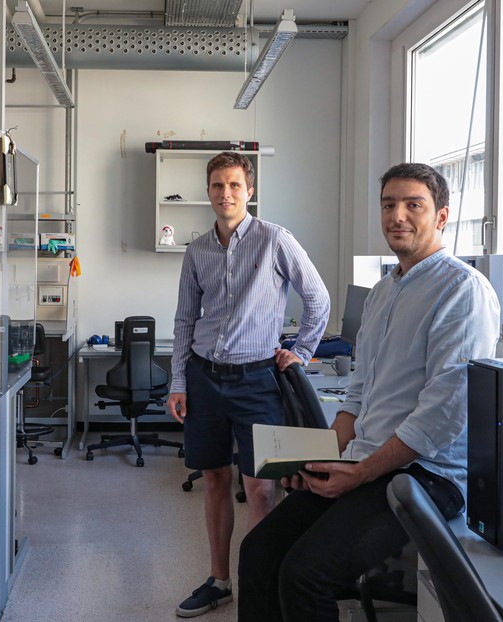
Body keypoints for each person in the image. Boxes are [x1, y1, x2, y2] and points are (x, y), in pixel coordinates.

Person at [237, 162, 501, 621]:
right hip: (367, 461)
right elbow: (358, 396)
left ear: (441, 216)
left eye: (412, 205)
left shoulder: (462, 290)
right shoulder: (384, 291)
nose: (397, 216)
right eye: (388, 205)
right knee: (259, 551)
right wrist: (320, 461)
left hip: (424, 476)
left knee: (306, 576)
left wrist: (359, 473)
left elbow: (443, 414)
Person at [167, 151, 330, 618]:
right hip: (204, 378)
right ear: (208, 191)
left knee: (260, 488)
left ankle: (261, 583)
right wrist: (179, 381)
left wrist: (299, 351)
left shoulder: (276, 240)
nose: (226, 194)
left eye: (235, 185)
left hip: (258, 379)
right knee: (215, 480)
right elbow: (183, 321)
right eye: (218, 185)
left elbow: (318, 297)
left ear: (250, 191)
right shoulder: (197, 250)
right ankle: (220, 581)